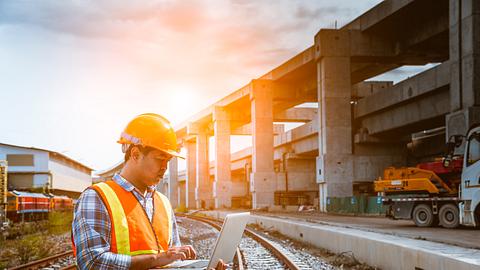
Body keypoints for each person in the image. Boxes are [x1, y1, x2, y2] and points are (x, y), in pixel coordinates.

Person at [72, 113, 226, 270]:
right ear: (135, 154)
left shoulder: (163, 203)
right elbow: (92, 261)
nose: (165, 167)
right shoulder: (97, 197)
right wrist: (157, 259)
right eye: (160, 159)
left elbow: (171, 263)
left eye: (168, 161)